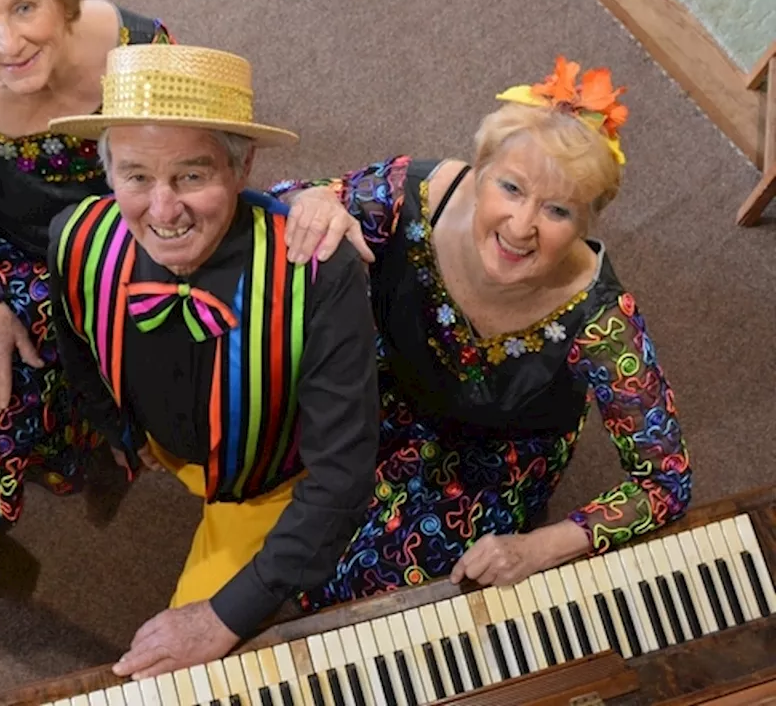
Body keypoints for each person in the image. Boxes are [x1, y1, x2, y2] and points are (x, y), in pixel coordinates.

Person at [270, 56, 692, 609]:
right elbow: (280, 203)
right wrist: (311, 206)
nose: (521, 227)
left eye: (558, 210)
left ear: (586, 223)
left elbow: (665, 483)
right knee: (251, 470)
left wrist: (539, 548)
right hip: (372, 390)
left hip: (485, 464)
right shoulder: (413, 195)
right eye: (511, 188)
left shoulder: (602, 321)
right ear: (479, 171)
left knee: (376, 604)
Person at [44, 44, 382, 679]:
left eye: (192, 176)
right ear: (108, 167)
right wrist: (123, 434)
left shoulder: (317, 272)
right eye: (136, 176)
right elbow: (76, 347)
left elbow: (341, 477)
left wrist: (222, 617)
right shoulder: (75, 236)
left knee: (193, 680)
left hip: (267, 484)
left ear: (242, 164)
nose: (163, 210)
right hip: (166, 449)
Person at [0, 0, 176, 523]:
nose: (9, 42)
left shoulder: (141, 48)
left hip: (141, 228)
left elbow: (186, 157)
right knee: (6, 393)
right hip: (17, 256)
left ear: (64, 0)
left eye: (25, 7)